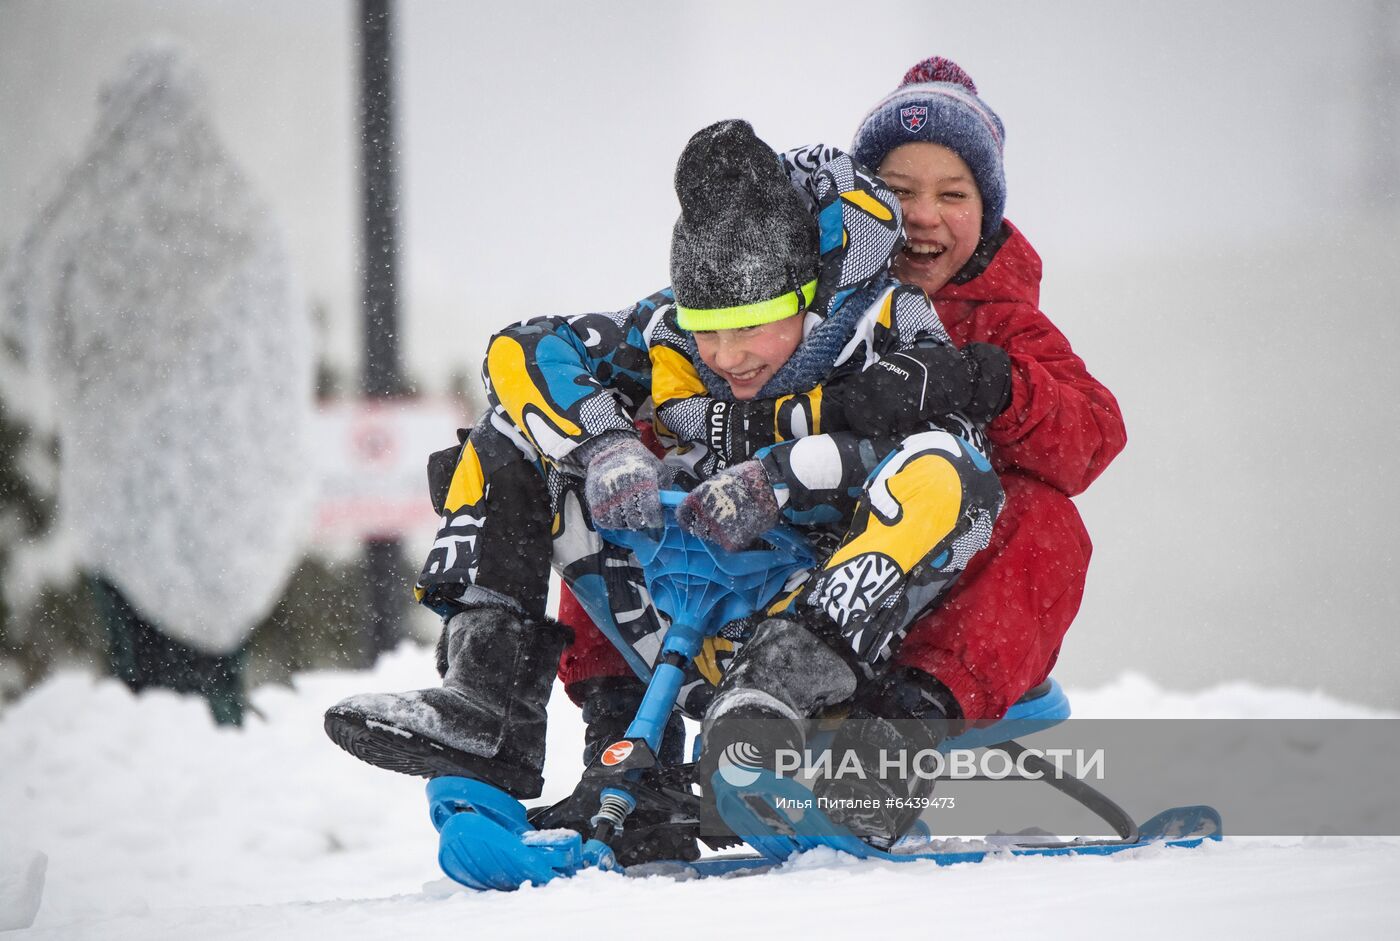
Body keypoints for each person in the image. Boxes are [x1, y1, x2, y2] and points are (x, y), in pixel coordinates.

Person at [325, 119, 1009, 853]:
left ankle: (774, 695)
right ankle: (486, 705)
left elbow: (955, 449)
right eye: (707, 329)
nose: (727, 355)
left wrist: (783, 477)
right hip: (682, 594)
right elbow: (521, 349)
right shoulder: (667, 331)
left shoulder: (887, 321)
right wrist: (609, 445)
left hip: (821, 631)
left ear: (808, 297)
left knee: (950, 473)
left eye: (751, 327)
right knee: (505, 434)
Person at [843, 56, 1127, 722]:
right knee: (626, 468)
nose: (921, 216)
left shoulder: (1004, 323)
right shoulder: (818, 310)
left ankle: (913, 717)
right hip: (818, 580)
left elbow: (1092, 434)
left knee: (1047, 517)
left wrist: (989, 381)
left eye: (952, 195)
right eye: (897, 190)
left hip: (940, 613)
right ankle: (620, 736)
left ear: (986, 212)